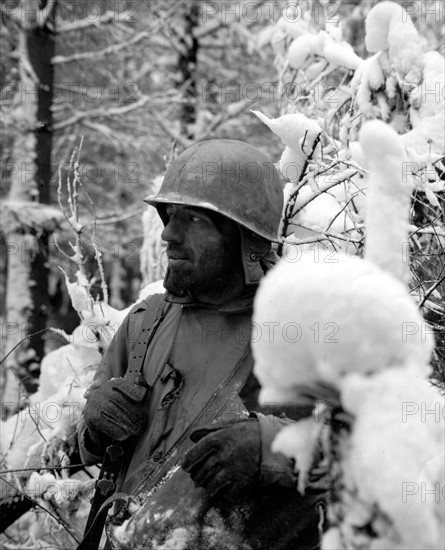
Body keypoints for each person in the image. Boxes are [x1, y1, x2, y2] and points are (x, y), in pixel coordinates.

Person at [78, 139, 327, 549]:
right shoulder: (144, 323)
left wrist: (267, 447)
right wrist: (95, 426)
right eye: (169, 215)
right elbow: (89, 451)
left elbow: (363, 459)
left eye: (192, 219)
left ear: (245, 239)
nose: (168, 234)